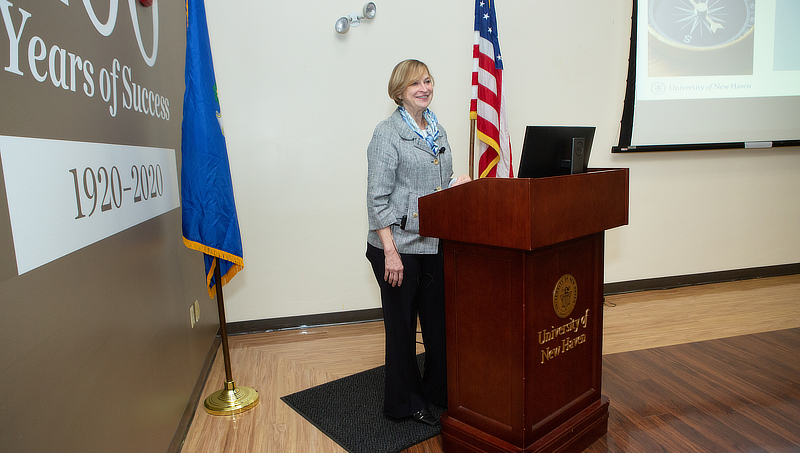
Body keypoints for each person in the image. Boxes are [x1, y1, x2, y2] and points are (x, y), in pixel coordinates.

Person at [365, 59, 471, 426]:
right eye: (415, 84)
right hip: (396, 248)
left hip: (433, 245)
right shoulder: (387, 133)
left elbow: (433, 190)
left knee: (439, 325)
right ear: (399, 92)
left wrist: (455, 188)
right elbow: (376, 199)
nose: (424, 88)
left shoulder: (437, 130)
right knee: (402, 330)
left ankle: (438, 391)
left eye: (427, 81)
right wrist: (391, 253)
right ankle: (404, 403)